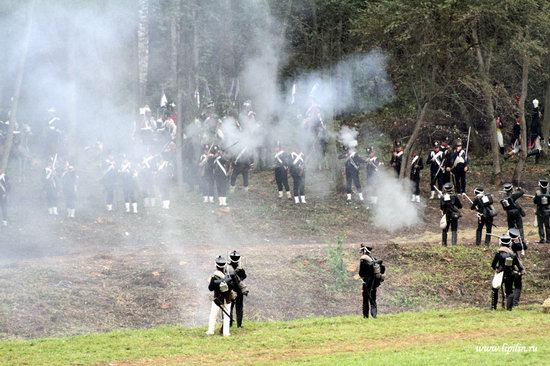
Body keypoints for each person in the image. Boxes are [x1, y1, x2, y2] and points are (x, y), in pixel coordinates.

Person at [491, 235, 524, 310]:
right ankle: (509, 308)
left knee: (495, 289)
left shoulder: (498, 253)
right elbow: (518, 265)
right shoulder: (513, 254)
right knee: (509, 291)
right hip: (510, 274)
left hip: (500, 273)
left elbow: (493, 265)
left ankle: (493, 307)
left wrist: (497, 269)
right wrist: (520, 271)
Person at [206, 256, 235, 336]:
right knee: (226, 316)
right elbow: (232, 287)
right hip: (227, 299)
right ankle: (226, 332)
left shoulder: (214, 277)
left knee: (213, 315)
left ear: (216, 265)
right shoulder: (228, 276)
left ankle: (211, 331)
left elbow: (210, 288)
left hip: (217, 299)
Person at [358, 243, 385, 319]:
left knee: (365, 299)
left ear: (364, 250)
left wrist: (362, 277)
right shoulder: (374, 259)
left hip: (367, 282)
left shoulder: (363, 260)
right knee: (373, 298)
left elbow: (361, 273)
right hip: (375, 283)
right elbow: (382, 269)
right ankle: (374, 315)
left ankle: (366, 316)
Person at [227, 251, 248, 328]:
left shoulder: (229, 268)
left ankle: (231, 324)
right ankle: (238, 324)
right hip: (235, 290)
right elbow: (244, 277)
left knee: (231, 307)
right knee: (237, 308)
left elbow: (243, 277)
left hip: (233, 290)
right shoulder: (233, 268)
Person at [508, 228, 527, 307]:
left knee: (509, 286)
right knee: (517, 286)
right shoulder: (515, 245)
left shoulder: (505, 243)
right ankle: (515, 303)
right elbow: (524, 246)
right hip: (516, 267)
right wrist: (520, 240)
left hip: (507, 268)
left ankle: (509, 302)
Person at [533, 178, 550, 243]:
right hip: (547, 210)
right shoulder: (549, 193)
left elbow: (535, 202)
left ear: (540, 185)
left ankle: (542, 238)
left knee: (540, 225)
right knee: (547, 225)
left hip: (540, 210)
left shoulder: (537, 193)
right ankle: (548, 239)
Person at [526, 99, 543, 164]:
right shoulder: (537, 121)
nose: (540, 114)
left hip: (533, 135)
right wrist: (542, 137)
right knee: (539, 150)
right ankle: (527, 155)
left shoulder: (534, 120)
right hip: (536, 135)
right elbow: (539, 130)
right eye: (539, 114)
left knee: (539, 149)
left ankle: (536, 163)